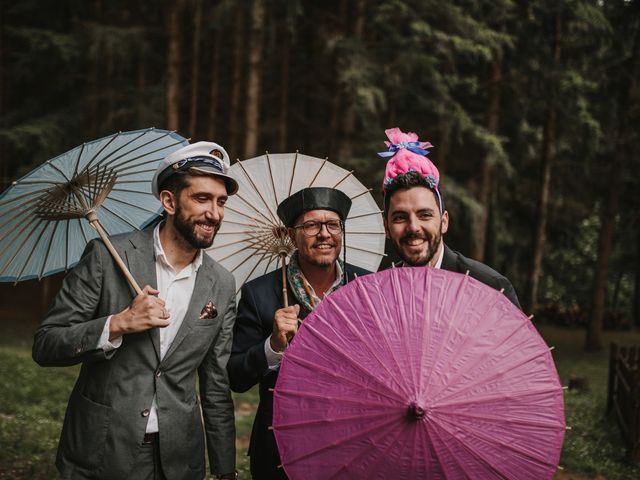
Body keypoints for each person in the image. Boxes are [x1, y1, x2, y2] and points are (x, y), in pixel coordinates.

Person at [32, 141, 239, 480]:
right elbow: (46, 344)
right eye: (201, 198)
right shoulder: (106, 256)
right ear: (169, 201)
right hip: (102, 450)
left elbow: (216, 384)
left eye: (220, 202)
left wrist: (225, 468)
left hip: (179, 459)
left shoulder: (222, 283)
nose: (214, 213)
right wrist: (118, 323)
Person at [227, 187, 370, 480]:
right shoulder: (260, 294)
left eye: (333, 225)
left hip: (355, 438)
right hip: (282, 444)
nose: (324, 234)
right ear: (291, 235)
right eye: (311, 225)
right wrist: (273, 345)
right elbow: (236, 377)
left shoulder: (366, 286)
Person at [379, 127, 521, 308]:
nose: (413, 227)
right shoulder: (379, 292)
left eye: (425, 215)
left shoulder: (490, 288)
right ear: (387, 228)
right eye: (400, 217)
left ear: (444, 221)